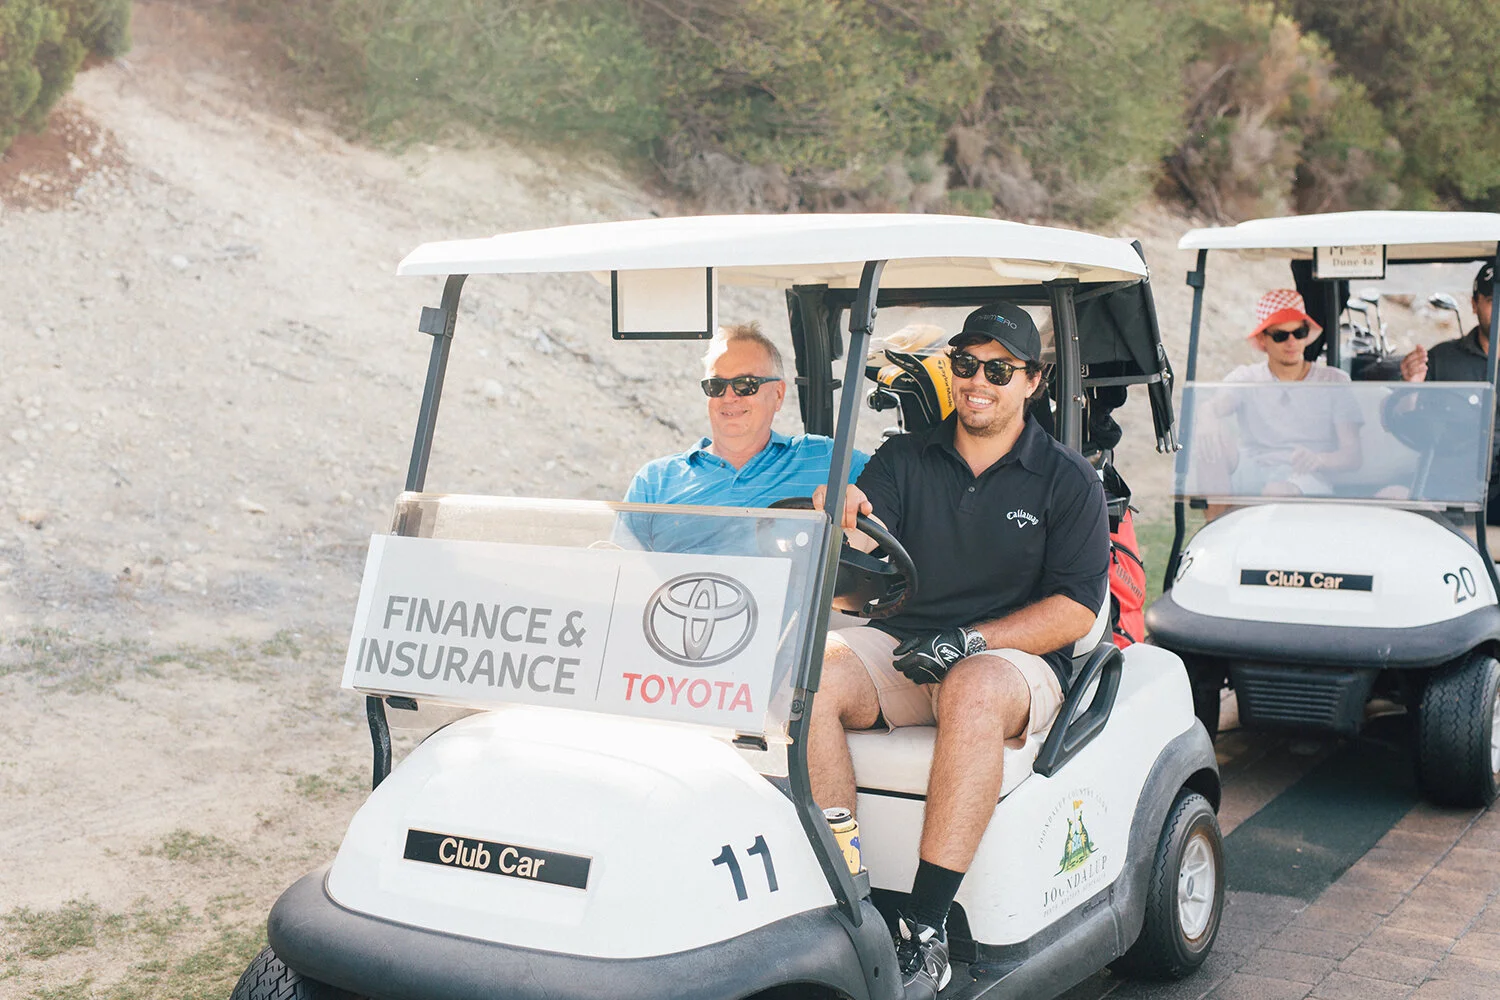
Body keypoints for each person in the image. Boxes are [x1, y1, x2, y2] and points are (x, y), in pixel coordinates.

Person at [809, 302, 1109, 999]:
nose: (978, 382)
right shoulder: (905, 457)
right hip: (908, 645)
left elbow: (1074, 610)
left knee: (972, 687)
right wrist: (843, 513)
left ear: (1032, 380)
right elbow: (865, 548)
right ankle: (847, 896)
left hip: (1011, 659)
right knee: (813, 675)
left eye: (999, 371)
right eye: (966, 364)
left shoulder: (1066, 479)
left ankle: (925, 926)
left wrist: (971, 640)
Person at [621, 322, 868, 549]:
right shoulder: (654, 482)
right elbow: (619, 570)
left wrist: (857, 494)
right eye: (716, 386)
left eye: (745, 384)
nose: (729, 397)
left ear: (778, 394)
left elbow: (889, 483)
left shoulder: (825, 458)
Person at [1196, 289, 1362, 505]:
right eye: (1280, 336)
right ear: (1263, 339)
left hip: (1306, 475)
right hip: (1253, 467)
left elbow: (1352, 455)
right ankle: (1216, 524)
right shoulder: (1247, 377)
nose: (1291, 342)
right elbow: (1215, 405)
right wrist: (1207, 418)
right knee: (1210, 444)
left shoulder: (1333, 381)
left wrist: (1319, 459)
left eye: (1299, 333)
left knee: (1277, 491)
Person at [1399, 263, 1500, 520]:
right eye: (1492, 301)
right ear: (1474, 304)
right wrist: (1412, 386)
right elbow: (1408, 427)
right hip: (1453, 489)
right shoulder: (1441, 359)